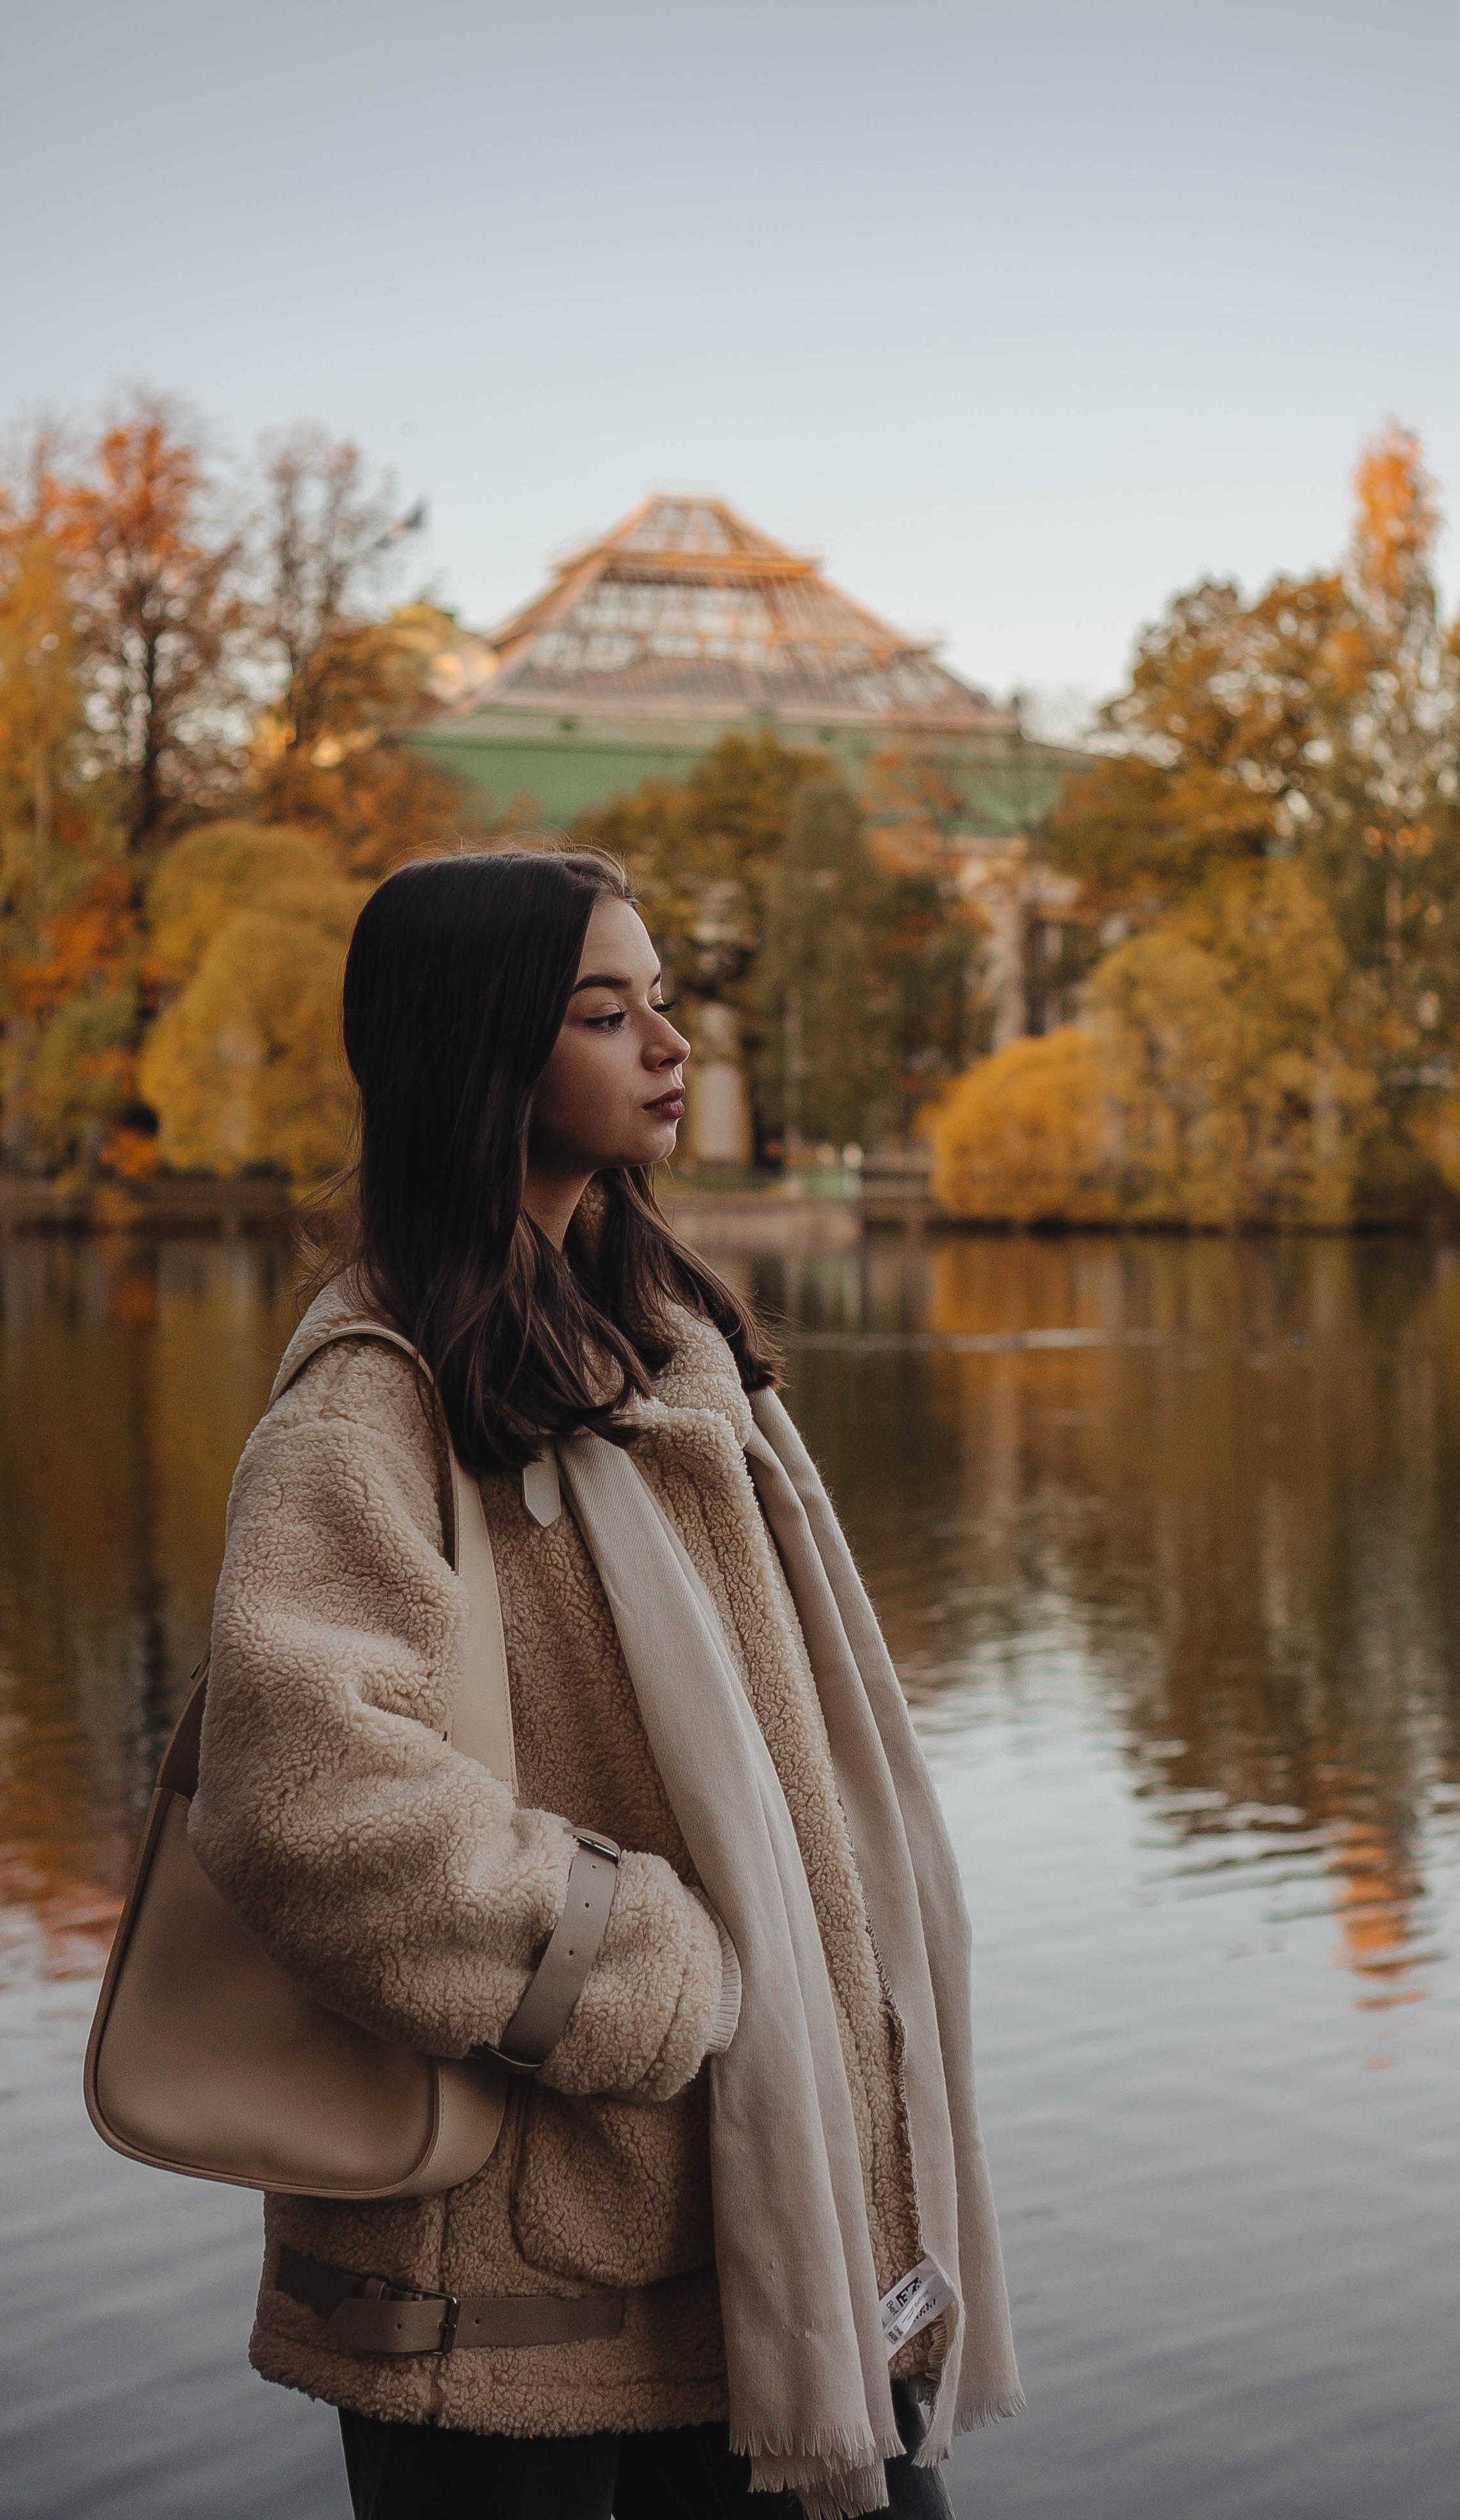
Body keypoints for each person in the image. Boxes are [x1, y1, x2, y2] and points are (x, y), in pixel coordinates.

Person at [190, 847, 1020, 2520]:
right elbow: (303, 1799)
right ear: (480, 1053)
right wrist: (654, 1970)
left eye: (664, 1000)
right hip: (512, 2289)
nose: (665, 1043)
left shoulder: (661, 1363)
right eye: (602, 1010)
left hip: (746, 2233)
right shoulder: (375, 1402)